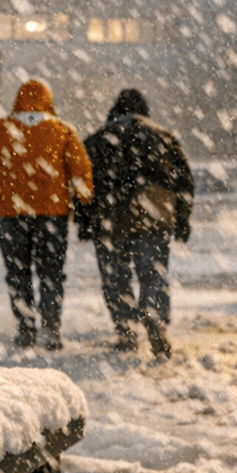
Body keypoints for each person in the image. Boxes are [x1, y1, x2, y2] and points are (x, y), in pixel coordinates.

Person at [0, 79, 93, 350]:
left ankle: (25, 328)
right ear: (48, 101)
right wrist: (83, 204)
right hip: (52, 212)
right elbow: (80, 170)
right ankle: (51, 328)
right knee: (51, 272)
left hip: (10, 213)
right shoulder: (62, 131)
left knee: (17, 272)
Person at [78, 88, 194, 360]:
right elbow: (184, 181)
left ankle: (125, 329)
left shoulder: (98, 138)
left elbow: (83, 182)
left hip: (111, 213)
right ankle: (154, 314)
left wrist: (84, 219)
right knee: (152, 272)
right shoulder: (164, 136)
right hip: (155, 209)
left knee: (115, 275)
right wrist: (182, 219)